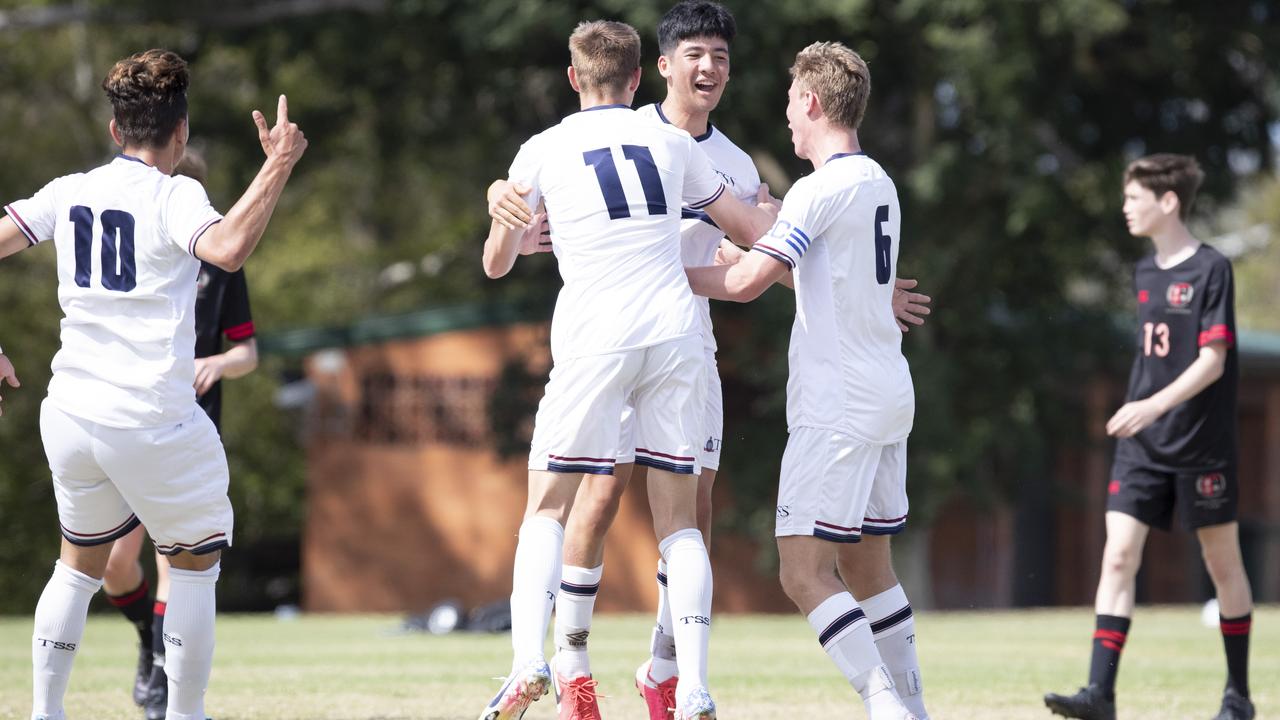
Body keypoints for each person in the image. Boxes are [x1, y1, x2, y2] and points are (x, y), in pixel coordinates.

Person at [486, 6, 932, 718]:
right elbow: (769, 236)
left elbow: (767, 242)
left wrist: (841, 279)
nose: (710, 67)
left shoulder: (727, 160)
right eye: (696, 53)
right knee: (600, 499)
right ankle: (574, 666)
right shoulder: (653, 138)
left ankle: (662, 671)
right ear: (653, 70)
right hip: (661, 338)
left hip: (681, 341)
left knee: (691, 508)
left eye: (721, 56)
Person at [477, 19, 777, 720]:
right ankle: (695, 684)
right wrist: (781, 219)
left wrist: (506, 220)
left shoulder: (545, 148)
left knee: (548, 506)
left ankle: (530, 662)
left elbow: (495, 263)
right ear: (642, 77)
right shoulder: (673, 144)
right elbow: (750, 229)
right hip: (674, 335)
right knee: (681, 524)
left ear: (574, 78)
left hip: (595, 338)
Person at [0, 48, 305, 720]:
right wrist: (278, 161)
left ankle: (43, 714)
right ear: (182, 132)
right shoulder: (177, 194)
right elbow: (226, 249)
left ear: (115, 130)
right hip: (149, 419)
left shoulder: (68, 188)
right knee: (194, 562)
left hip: (70, 415)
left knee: (76, 566)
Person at [685, 41, 921, 720]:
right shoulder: (878, 180)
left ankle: (885, 706)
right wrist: (755, 231)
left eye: (791, 100)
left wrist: (655, 272)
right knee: (871, 569)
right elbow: (810, 262)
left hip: (837, 402)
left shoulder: (818, 192)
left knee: (801, 570)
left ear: (812, 103)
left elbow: (745, 282)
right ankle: (915, 706)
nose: (786, 114)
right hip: (888, 393)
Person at [1043, 154, 1254, 720]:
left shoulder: (1212, 269)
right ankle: (1099, 695)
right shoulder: (1144, 273)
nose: (1125, 207)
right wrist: (1143, 412)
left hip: (1200, 444)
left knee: (1222, 564)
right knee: (1118, 559)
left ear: (1168, 202)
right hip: (1142, 447)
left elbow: (1212, 360)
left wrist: (1153, 405)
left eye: (1134, 197)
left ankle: (1238, 696)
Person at [99, 148, 260, 720]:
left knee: (175, 559)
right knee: (116, 562)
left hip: (187, 432)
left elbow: (248, 352)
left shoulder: (220, 266)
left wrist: (217, 363)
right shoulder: (131, 253)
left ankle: (167, 685)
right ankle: (149, 638)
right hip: (128, 422)